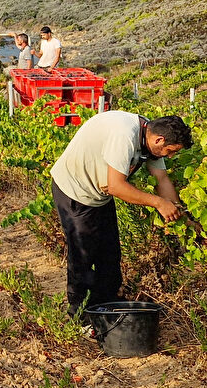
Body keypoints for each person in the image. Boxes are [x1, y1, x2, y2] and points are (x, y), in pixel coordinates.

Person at [50, 111, 191, 322]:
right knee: (83, 257)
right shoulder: (124, 134)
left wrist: (181, 215)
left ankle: (105, 309)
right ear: (159, 140)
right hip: (75, 191)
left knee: (110, 255)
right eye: (170, 151)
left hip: (100, 196)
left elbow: (162, 179)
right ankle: (78, 317)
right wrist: (158, 203)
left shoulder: (150, 138)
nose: (169, 156)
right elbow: (116, 186)